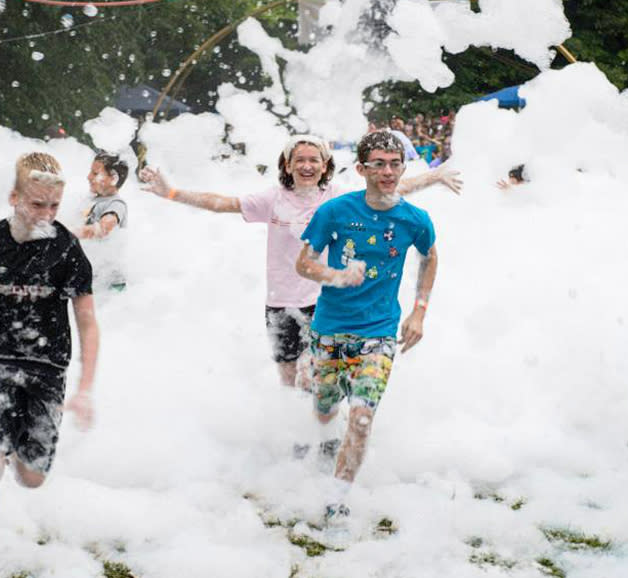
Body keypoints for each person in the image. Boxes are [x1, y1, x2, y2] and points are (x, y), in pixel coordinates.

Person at [140, 135, 460, 390]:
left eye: (314, 160)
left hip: (319, 305)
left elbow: (392, 187)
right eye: (300, 160)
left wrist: (434, 176)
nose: (307, 165)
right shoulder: (273, 199)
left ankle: (326, 438)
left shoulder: (336, 198)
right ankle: (298, 443)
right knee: (289, 382)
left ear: (325, 165)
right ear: (288, 165)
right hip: (278, 304)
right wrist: (171, 193)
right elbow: (222, 203)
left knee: (313, 378)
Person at [296, 130, 437, 522]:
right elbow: (304, 264)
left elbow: (430, 258)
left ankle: (337, 501)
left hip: (379, 334)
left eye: (395, 164)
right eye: (379, 164)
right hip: (329, 331)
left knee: (360, 417)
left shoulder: (415, 219)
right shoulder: (336, 212)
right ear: (361, 169)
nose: (388, 171)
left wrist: (419, 310)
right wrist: (336, 276)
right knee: (325, 408)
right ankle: (323, 438)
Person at [0, 152, 99, 488]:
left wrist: (84, 389)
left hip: (48, 367)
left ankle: (15, 444)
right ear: (14, 198)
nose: (46, 214)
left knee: (32, 478)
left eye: (53, 206)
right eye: (37, 204)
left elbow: (87, 321)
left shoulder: (66, 249)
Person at [76, 152, 130, 291]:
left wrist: (65, 233)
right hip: (93, 277)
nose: (88, 177)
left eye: (95, 173)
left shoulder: (116, 204)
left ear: (113, 179)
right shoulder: (92, 199)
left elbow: (104, 228)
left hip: (110, 284)